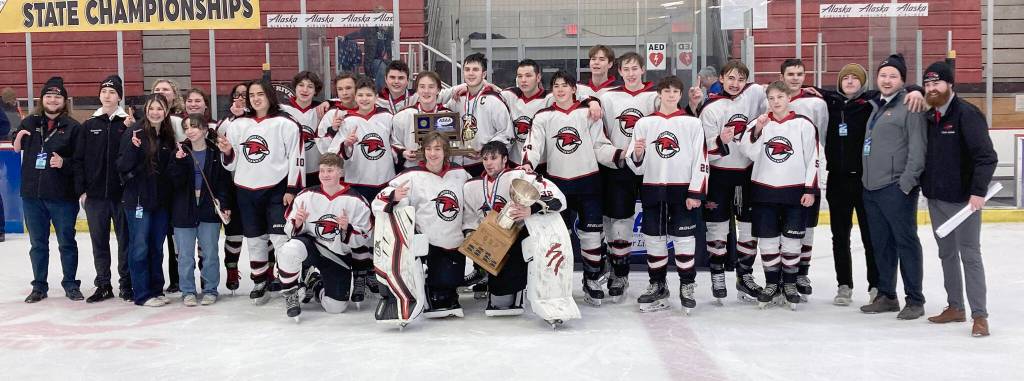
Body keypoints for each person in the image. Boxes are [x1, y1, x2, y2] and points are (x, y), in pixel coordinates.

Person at [815, 63, 927, 305]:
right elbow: (803, 90)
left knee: (872, 237)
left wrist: (917, 89)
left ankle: (877, 286)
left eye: (856, 78)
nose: (850, 81)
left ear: (864, 82)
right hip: (837, 179)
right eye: (846, 78)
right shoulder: (830, 102)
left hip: (865, 180)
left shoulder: (872, 102)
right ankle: (844, 285)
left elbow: (898, 89)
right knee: (840, 236)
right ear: (839, 82)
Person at [522, 70, 620, 306]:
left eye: (565, 85)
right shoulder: (544, 116)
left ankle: (591, 280)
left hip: (588, 182)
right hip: (557, 185)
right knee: (558, 238)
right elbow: (533, 145)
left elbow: (600, 145)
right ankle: (560, 282)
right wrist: (527, 165)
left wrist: (620, 155)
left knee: (592, 236)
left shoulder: (588, 114)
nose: (560, 89)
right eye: (556, 86)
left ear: (574, 89)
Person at [919, 61, 998, 337]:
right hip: (937, 199)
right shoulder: (931, 116)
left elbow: (986, 157)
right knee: (946, 254)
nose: (931, 89)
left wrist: (978, 192)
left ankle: (980, 315)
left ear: (950, 84)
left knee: (970, 255)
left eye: (936, 83)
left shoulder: (966, 114)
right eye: (927, 85)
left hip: (965, 202)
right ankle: (955, 306)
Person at [217, 79, 305, 305]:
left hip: (277, 189)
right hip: (246, 190)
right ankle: (259, 281)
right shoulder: (237, 125)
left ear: (270, 96)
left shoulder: (285, 123)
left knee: (279, 238)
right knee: (255, 239)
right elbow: (231, 165)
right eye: (252, 95)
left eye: (260, 94)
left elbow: (297, 156)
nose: (256, 98)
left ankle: (290, 283)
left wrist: (292, 188)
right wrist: (227, 152)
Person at [625, 75, 708, 313]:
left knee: (684, 240)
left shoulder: (692, 123)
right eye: (667, 91)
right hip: (653, 188)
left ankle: (687, 285)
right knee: (655, 240)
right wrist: (638, 154)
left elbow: (701, 160)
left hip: (683, 191)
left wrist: (695, 192)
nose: (671, 95)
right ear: (659, 94)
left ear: (680, 95)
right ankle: (658, 285)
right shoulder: (644, 123)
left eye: (675, 92)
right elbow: (635, 165)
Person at [858, 54, 928, 320]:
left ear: (902, 81)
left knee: (905, 243)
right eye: (883, 75)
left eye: (893, 76)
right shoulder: (877, 104)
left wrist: (906, 184)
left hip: (895, 188)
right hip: (871, 188)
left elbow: (918, 150)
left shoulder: (911, 105)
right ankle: (887, 295)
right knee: (881, 244)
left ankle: (915, 299)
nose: (887, 80)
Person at [739, 81, 819, 310]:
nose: (776, 102)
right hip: (764, 191)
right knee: (768, 241)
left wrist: (810, 189)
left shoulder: (803, 124)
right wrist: (757, 129)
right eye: (771, 98)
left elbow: (813, 158)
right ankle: (772, 283)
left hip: (794, 192)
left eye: (780, 97)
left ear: (789, 98)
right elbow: (748, 151)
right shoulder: (760, 123)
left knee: (793, 241)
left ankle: (791, 284)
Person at [462, 141, 567, 316]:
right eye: (485, 158)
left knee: (503, 302)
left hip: (516, 241)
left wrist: (531, 209)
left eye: (494, 158)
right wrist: (470, 234)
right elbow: (469, 218)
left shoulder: (521, 176)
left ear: (505, 159)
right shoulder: (471, 186)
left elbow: (559, 200)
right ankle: (484, 273)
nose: (489, 163)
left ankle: (520, 283)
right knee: (498, 301)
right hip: (490, 243)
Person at [374, 132, 472, 318]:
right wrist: (393, 196)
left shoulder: (459, 173)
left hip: (456, 242)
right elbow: (378, 200)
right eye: (428, 149)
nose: (432, 153)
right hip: (428, 245)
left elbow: (472, 199)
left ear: (446, 151)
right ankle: (424, 282)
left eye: (437, 149)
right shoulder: (411, 176)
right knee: (439, 297)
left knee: (451, 285)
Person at [696, 60, 767, 302]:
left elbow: (781, 93)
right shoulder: (711, 108)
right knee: (717, 227)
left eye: (740, 79)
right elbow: (705, 150)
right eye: (731, 78)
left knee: (748, 227)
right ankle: (717, 273)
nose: (736, 83)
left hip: (747, 174)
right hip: (719, 176)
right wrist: (720, 142)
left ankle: (745, 276)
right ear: (722, 79)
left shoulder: (754, 95)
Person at [278, 153, 373, 321]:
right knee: (288, 250)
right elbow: (288, 231)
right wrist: (297, 222)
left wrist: (347, 229)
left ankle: (315, 283)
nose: (325, 175)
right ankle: (291, 292)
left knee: (335, 307)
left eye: (330, 170)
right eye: (322, 170)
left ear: (341, 173)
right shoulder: (305, 195)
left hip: (337, 255)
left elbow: (364, 238)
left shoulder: (357, 200)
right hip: (311, 247)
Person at [13, 77, 83, 303]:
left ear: (64, 101)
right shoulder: (30, 122)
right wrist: (16, 139)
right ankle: (39, 286)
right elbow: (16, 141)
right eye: (48, 96)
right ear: (42, 99)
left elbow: (81, 162)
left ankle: (71, 284)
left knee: (66, 242)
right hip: (32, 196)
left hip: (62, 196)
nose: (53, 100)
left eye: (57, 96)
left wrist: (64, 163)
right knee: (38, 244)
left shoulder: (73, 128)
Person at [597, 52, 661, 301]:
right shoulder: (608, 97)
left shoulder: (655, 97)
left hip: (649, 168)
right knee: (620, 221)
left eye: (635, 68)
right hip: (620, 167)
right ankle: (619, 273)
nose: (631, 73)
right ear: (620, 72)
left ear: (643, 70)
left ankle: (658, 279)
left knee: (654, 222)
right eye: (627, 69)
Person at [75, 75, 132, 303]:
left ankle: (126, 284)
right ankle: (103, 284)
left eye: (112, 92)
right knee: (99, 242)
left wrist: (131, 129)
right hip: (95, 197)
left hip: (122, 195)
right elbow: (79, 160)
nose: (107, 96)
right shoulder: (89, 125)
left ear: (119, 96)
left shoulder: (127, 123)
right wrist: (82, 190)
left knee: (125, 241)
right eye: (104, 92)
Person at [117, 94, 177, 307]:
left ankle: (156, 288)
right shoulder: (134, 133)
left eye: (159, 109)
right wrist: (133, 148)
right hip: (138, 201)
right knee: (139, 246)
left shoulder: (168, 135)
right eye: (151, 108)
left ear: (166, 111)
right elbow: (122, 166)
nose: (155, 112)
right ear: (146, 110)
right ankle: (141, 293)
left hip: (160, 202)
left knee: (156, 246)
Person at [777, 59, 829, 301]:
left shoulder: (816, 103)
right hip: (781, 175)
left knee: (806, 227)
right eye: (790, 74)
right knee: (781, 228)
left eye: (799, 74)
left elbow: (823, 137)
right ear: (782, 75)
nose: (795, 78)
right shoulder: (775, 100)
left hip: (809, 174)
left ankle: (801, 273)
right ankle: (781, 274)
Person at [169, 114, 233, 306]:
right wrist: (178, 162)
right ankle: (187, 290)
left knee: (211, 253)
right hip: (183, 209)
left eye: (194, 126)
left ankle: (210, 289)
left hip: (208, 209)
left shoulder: (215, 152)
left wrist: (225, 204)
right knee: (185, 256)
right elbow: (173, 182)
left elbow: (223, 183)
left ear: (205, 129)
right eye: (186, 127)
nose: (190, 130)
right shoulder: (179, 151)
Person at [326, 76, 397, 201]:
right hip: (357, 182)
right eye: (360, 95)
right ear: (355, 97)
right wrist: (346, 144)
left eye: (368, 95)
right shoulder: (347, 121)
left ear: (376, 97)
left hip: (385, 180)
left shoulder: (387, 116)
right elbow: (332, 152)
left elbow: (395, 143)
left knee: (383, 218)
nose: (364, 99)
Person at [445, 53, 514, 176]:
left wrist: (485, 151)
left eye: (475, 69)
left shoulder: (494, 100)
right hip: (459, 164)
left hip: (485, 165)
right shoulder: (456, 99)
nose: (471, 73)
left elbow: (506, 134)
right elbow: (443, 122)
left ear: (484, 74)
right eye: (467, 69)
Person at [215, 82, 253, 293]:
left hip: (258, 181)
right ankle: (231, 269)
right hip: (233, 183)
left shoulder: (262, 119)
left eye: (245, 95)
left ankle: (267, 271)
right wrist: (235, 117)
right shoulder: (226, 121)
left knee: (263, 232)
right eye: (237, 94)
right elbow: (220, 139)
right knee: (234, 231)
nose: (241, 98)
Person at [391, 71, 453, 170]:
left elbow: (454, 146)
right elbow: (394, 143)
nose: (426, 91)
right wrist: (403, 152)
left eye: (431, 87)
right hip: (413, 169)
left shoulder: (448, 115)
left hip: (441, 170)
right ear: (417, 90)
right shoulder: (403, 115)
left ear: (438, 90)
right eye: (422, 87)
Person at [500, 59, 549, 166]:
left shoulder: (550, 98)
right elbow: (489, 91)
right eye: (520, 76)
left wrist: (592, 102)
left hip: (542, 163)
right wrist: (464, 87)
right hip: (514, 162)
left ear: (538, 77)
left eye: (528, 76)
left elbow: (576, 97)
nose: (523, 80)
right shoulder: (509, 95)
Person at [281, 71, 327, 187]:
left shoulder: (322, 109)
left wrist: (329, 102)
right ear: (295, 87)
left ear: (315, 91)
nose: (305, 90)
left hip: (316, 171)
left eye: (310, 86)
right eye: (301, 85)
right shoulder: (282, 109)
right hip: (289, 171)